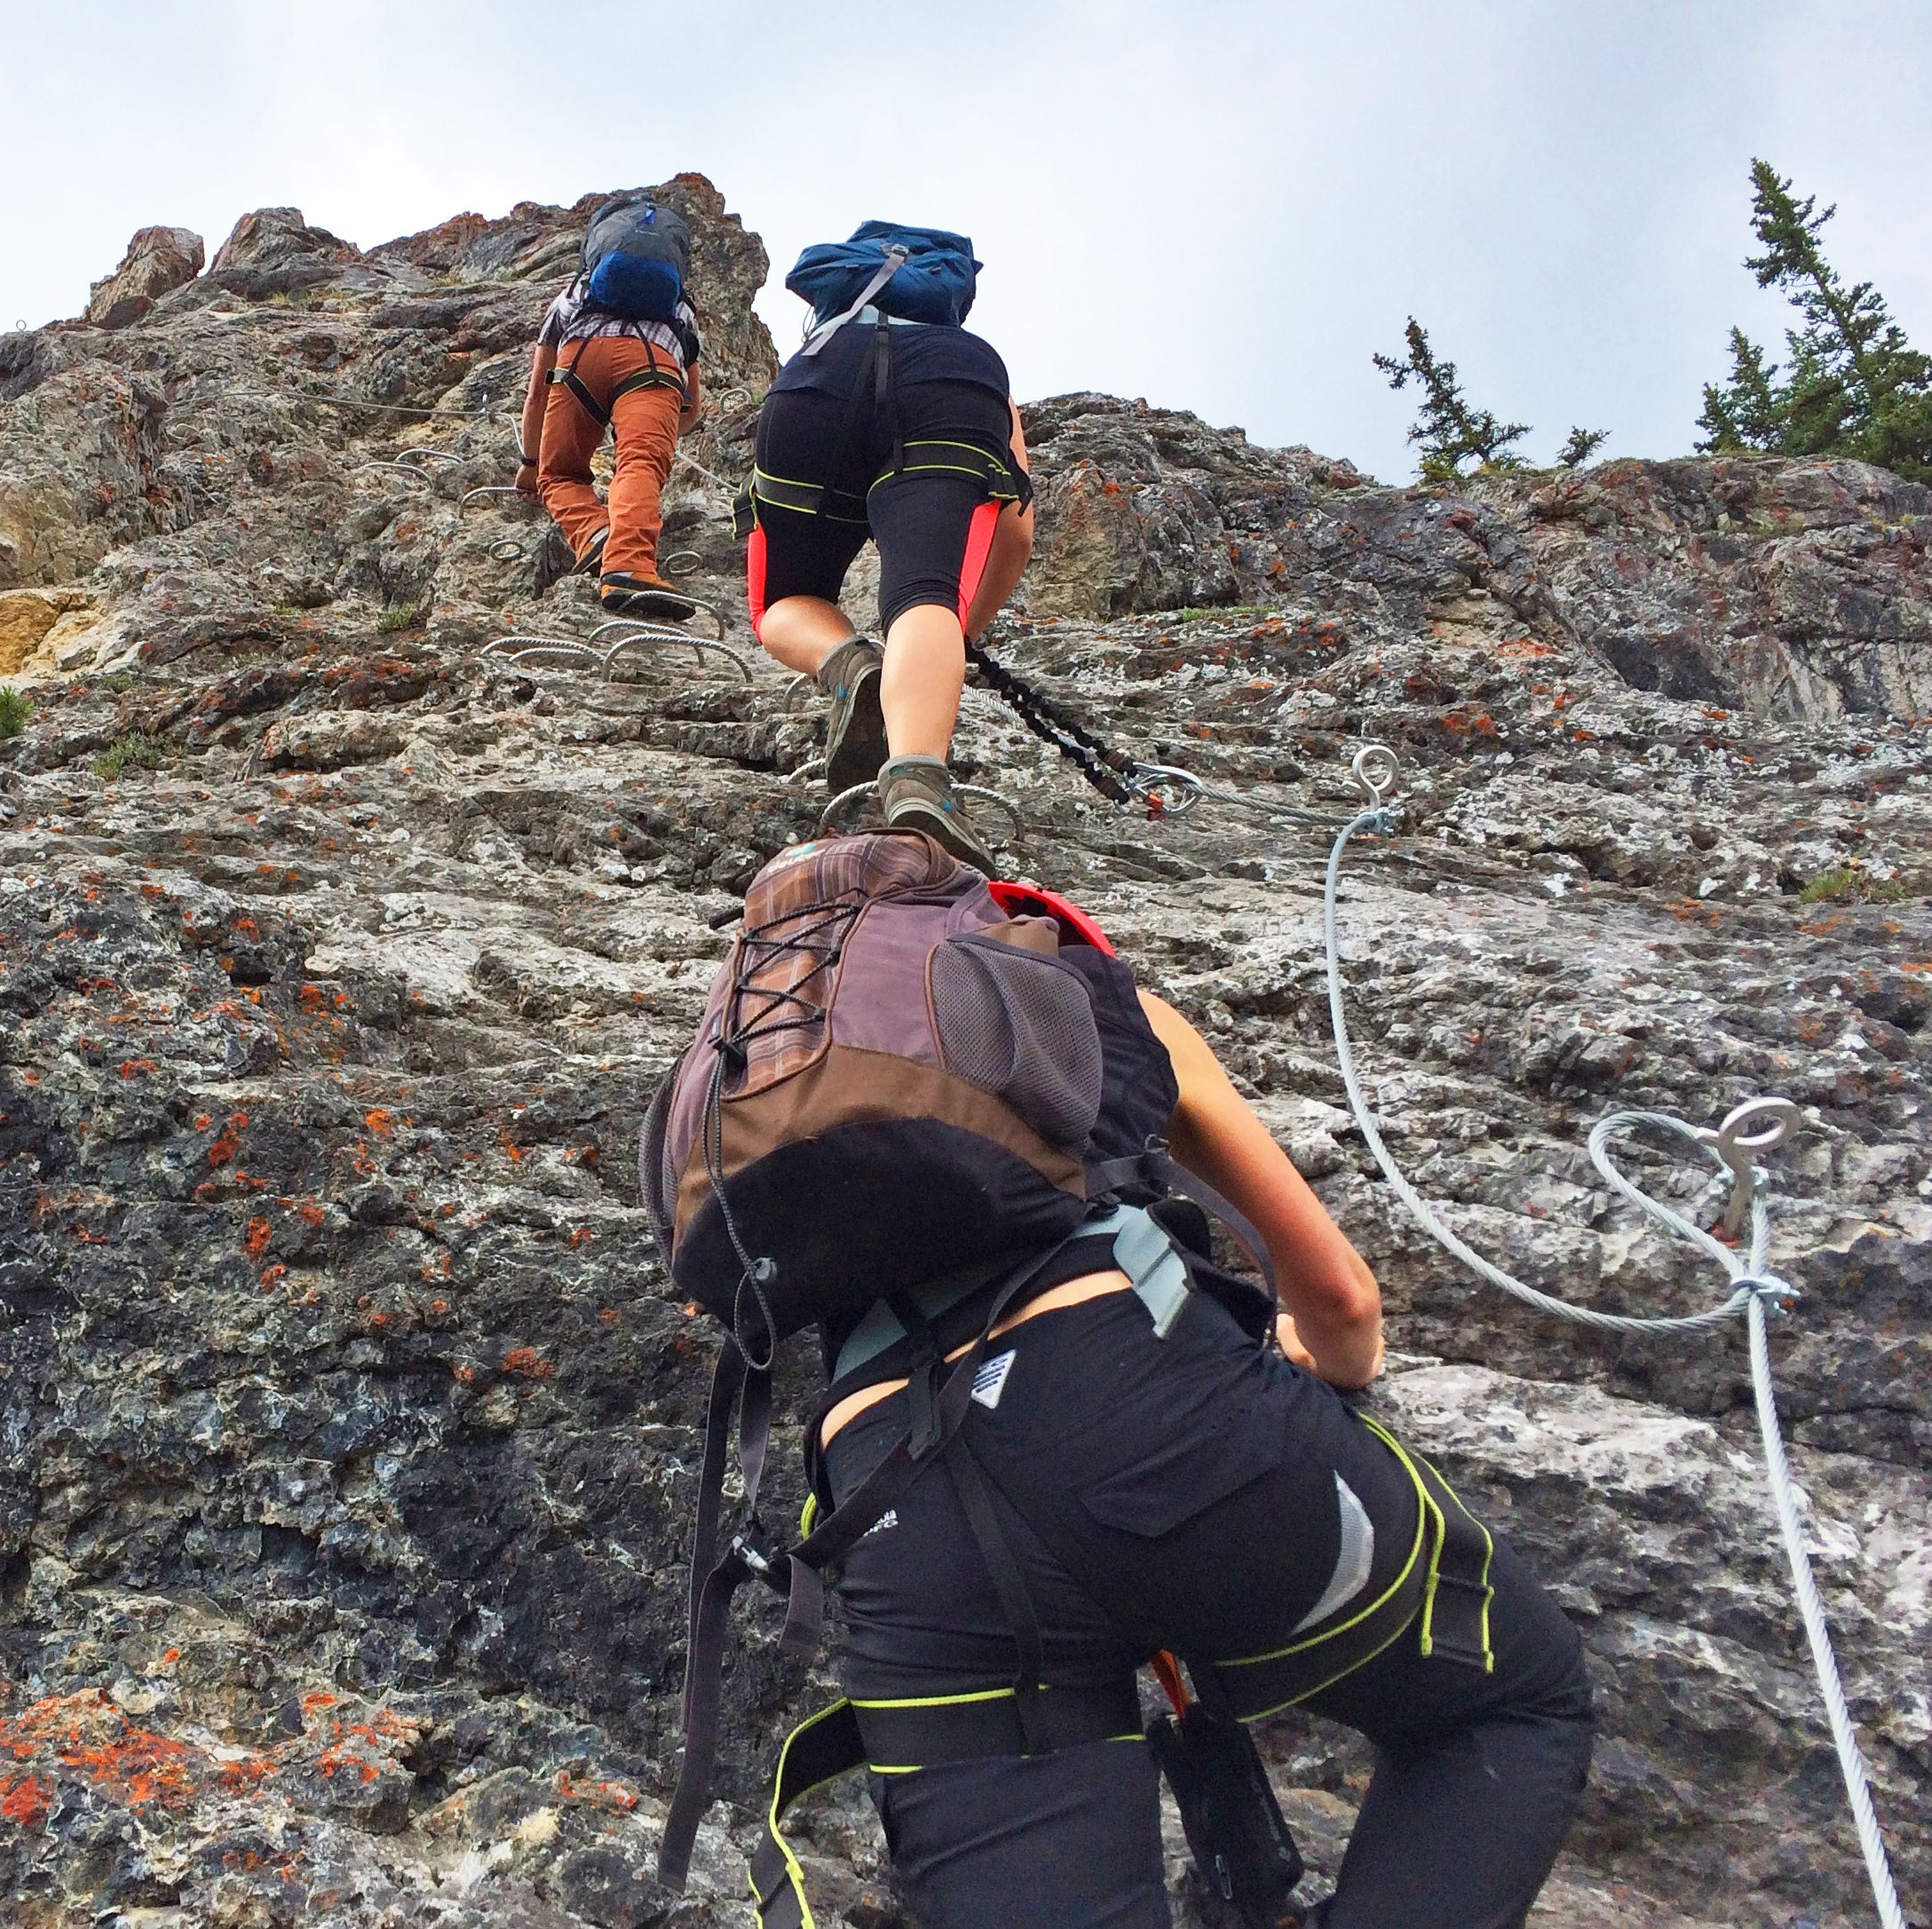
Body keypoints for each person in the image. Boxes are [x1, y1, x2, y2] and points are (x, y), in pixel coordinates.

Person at [809, 984, 1596, 1927]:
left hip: (902, 1512)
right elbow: (1343, 1306)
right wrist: (1328, 1354)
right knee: (1507, 1703)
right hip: (1164, 1429)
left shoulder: (761, 1096)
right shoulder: (1062, 989)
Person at [745, 222, 1038, 874]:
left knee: (783, 600)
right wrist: (948, 643)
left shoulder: (827, 326)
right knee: (924, 591)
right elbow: (1016, 530)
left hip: (815, 385)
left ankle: (848, 667)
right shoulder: (965, 351)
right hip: (951, 390)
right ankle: (917, 781)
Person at [515, 196, 706, 621]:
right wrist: (652, 425)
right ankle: (629, 565)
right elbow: (691, 408)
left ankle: (597, 533)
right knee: (637, 464)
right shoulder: (681, 306)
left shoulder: (573, 292)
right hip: (654, 363)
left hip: (581, 359)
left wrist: (531, 463)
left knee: (559, 473)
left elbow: (537, 393)